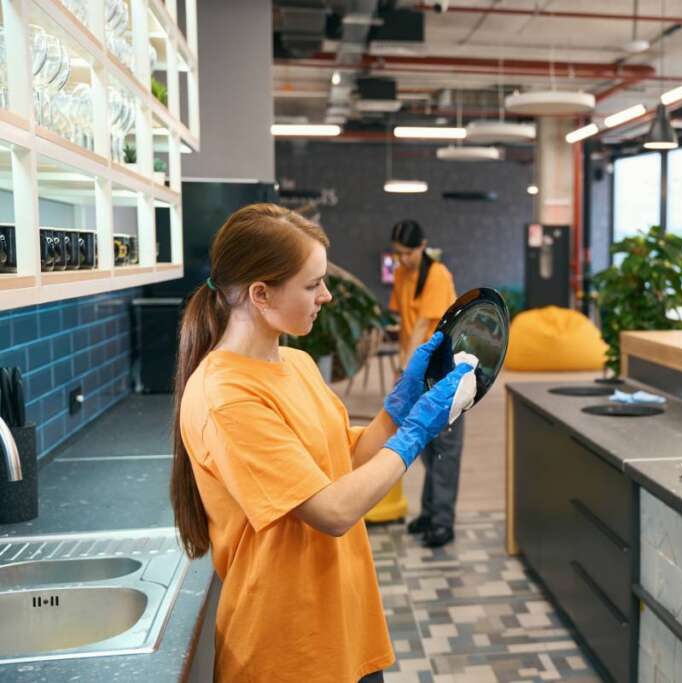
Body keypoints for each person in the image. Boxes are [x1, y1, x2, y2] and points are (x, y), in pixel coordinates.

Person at [170, 204, 472, 683]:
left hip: (345, 629)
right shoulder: (225, 397)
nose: (327, 296)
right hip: (288, 650)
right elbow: (331, 510)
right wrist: (415, 434)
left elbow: (344, 459)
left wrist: (397, 409)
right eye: (313, 285)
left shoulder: (295, 364)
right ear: (261, 294)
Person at [388, 219, 464, 548]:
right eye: (398, 253)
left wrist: (407, 369)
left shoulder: (437, 274)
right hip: (418, 369)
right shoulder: (404, 274)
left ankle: (443, 522)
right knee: (427, 445)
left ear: (423, 246)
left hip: (445, 371)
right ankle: (430, 512)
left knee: (446, 447)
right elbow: (402, 321)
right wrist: (401, 363)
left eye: (408, 253)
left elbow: (422, 326)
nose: (402, 259)